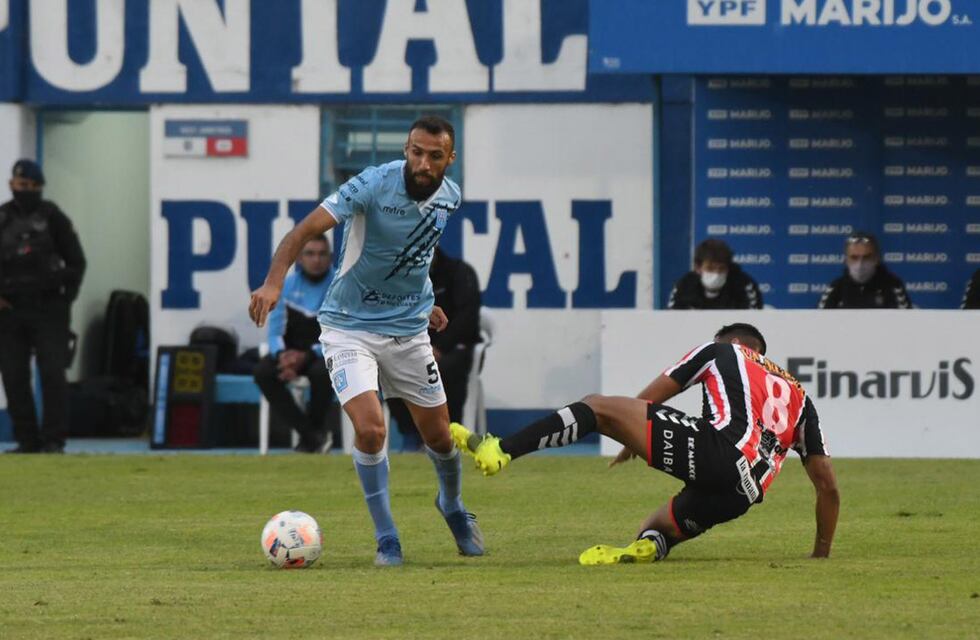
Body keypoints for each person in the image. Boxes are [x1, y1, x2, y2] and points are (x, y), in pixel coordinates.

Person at [249, 116, 483, 566]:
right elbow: (303, 232)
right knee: (372, 430)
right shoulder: (372, 184)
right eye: (416, 151)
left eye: (435, 156)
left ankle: (452, 506)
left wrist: (424, 300)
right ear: (407, 148)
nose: (423, 162)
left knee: (438, 437)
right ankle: (387, 538)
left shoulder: (449, 199)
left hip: (409, 329)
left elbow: (417, 252)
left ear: (449, 160)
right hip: (348, 327)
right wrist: (273, 283)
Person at [451, 323, 839, 564]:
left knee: (597, 407)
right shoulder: (801, 398)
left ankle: (499, 448)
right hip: (742, 493)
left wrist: (628, 432)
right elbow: (828, 486)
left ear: (735, 341)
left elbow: (650, 399)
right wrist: (820, 553)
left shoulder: (720, 350)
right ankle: (652, 547)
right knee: (653, 528)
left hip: (718, 452)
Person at [0, 159, 86, 454]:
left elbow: (77, 262)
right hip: (10, 310)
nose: (21, 189)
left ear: (38, 187)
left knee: (52, 372)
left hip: (49, 308)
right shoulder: (2, 218)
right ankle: (26, 439)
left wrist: (65, 299)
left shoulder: (53, 218)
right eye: (18, 184)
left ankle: (53, 439)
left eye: (28, 186)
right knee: (13, 375)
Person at [387, 246, 481, 451]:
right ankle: (411, 434)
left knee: (448, 368)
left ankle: (449, 431)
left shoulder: (459, 273)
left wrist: (438, 348)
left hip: (452, 347)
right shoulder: (398, 277)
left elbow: (467, 318)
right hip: (414, 346)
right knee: (387, 366)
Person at [253, 234, 339, 453]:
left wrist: (308, 355)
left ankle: (313, 435)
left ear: (330, 258)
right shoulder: (286, 285)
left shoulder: (341, 284)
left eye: (322, 254)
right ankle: (311, 435)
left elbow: (341, 334)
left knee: (322, 373)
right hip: (291, 352)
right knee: (263, 372)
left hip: (324, 353)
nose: (316, 260)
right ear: (300, 258)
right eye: (310, 254)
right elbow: (274, 332)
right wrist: (282, 356)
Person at [818, 231, 911, 309]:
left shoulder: (893, 286)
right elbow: (820, 323)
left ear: (877, 259)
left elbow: (905, 322)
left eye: (866, 257)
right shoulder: (836, 288)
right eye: (854, 257)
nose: (860, 263)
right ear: (845, 260)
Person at [668, 238, 763, 309]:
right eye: (710, 268)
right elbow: (673, 320)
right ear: (698, 268)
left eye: (721, 268)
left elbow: (753, 321)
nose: (716, 273)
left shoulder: (744, 285)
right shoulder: (684, 286)